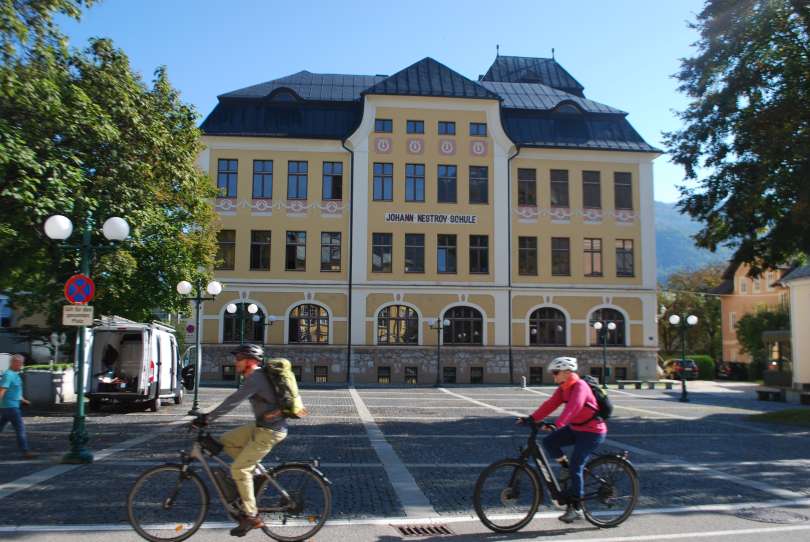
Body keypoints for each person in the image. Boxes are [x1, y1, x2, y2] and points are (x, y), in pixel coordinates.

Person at [193, 344, 288, 537]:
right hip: (260, 427)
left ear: (250, 361)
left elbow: (233, 400)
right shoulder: (254, 376)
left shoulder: (255, 378)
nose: (235, 362)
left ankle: (252, 516)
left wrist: (207, 417)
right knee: (225, 441)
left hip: (270, 431)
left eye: (239, 359)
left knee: (239, 469)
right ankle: (252, 472)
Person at [518, 356, 606, 523]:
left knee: (576, 466)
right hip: (576, 428)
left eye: (556, 372)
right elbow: (550, 404)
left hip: (593, 432)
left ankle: (577, 508)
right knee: (549, 442)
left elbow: (575, 406)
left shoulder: (580, 386)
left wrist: (557, 424)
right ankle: (565, 467)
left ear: (567, 372)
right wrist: (531, 418)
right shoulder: (563, 388)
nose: (554, 376)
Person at [0, 354, 36, 459]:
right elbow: (2, 390)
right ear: (14, 363)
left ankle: (25, 451)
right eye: (20, 363)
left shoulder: (15, 375)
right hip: (10, 407)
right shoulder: (8, 375)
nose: (22, 365)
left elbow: (14, 390)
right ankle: (25, 451)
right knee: (20, 429)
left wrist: (23, 400)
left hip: (10, 406)